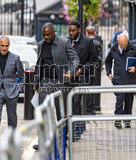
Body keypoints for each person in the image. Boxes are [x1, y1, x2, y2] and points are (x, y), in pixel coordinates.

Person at [33, 22, 79, 150]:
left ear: (54, 33)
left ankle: (63, 139)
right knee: (42, 112)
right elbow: (39, 64)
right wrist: (36, 83)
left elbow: (75, 59)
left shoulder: (64, 43)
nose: (46, 37)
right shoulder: (41, 44)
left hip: (60, 82)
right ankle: (42, 141)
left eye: (48, 34)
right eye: (44, 35)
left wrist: (71, 71)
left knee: (61, 113)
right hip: (45, 82)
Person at [0, 36, 24, 146]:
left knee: (12, 118)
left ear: (9, 45)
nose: (4, 48)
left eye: (6, 46)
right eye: (2, 45)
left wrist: (18, 89)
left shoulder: (15, 58)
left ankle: (11, 142)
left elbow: (22, 77)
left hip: (12, 91)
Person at [105, 34, 136, 129]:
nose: (123, 47)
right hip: (118, 79)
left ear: (128, 41)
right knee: (119, 99)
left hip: (130, 79)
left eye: (125, 44)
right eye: (121, 45)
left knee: (128, 101)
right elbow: (108, 61)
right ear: (118, 42)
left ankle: (127, 120)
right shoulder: (114, 48)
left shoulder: (134, 48)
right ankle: (118, 120)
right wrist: (108, 72)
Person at [69, 21, 99, 116]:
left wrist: (81, 70)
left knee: (77, 101)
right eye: (70, 31)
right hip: (69, 77)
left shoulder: (88, 42)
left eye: (73, 30)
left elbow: (94, 60)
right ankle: (71, 124)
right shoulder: (66, 41)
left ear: (79, 30)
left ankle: (78, 126)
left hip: (83, 77)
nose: (71, 33)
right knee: (70, 102)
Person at [86, 26, 103, 112]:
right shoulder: (98, 43)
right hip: (96, 67)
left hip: (88, 68)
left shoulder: (86, 42)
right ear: (94, 33)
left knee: (88, 86)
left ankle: (89, 107)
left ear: (86, 33)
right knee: (95, 85)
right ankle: (95, 105)